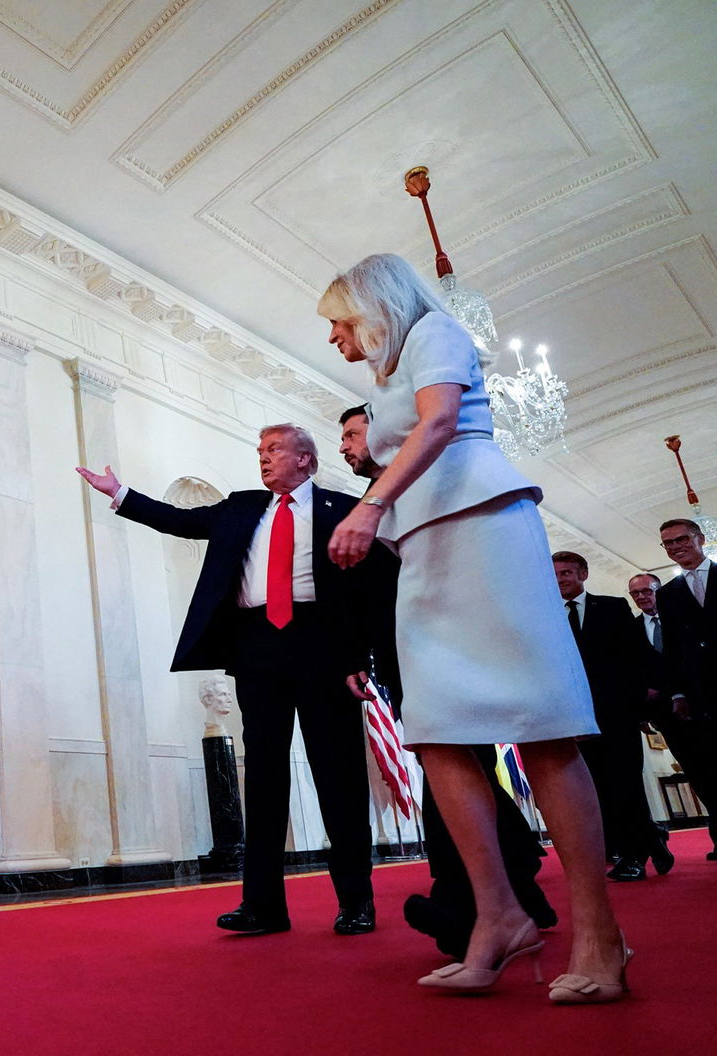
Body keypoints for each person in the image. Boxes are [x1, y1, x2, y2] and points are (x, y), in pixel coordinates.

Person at [321, 252, 628, 1003]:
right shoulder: (385, 376)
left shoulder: (436, 332)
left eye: (339, 321)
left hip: (484, 527)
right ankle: (499, 916)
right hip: (423, 548)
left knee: (542, 724)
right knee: (435, 731)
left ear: (374, 307)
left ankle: (599, 932)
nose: (333, 337)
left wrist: (368, 506)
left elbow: (440, 424)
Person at [76, 425, 376, 937]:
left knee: (339, 775)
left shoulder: (344, 509)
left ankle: (355, 902)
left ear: (305, 459)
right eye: (260, 451)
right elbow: (179, 520)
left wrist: (360, 656)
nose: (263, 458)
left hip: (323, 647)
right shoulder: (242, 506)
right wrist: (119, 492)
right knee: (262, 779)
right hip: (257, 648)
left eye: (274, 449)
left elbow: (365, 589)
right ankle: (262, 906)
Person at [339, 405, 555, 958]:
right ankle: (519, 887)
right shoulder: (368, 506)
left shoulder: (424, 489)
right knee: (456, 765)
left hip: (449, 647)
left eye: (353, 434)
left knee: (451, 765)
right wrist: (359, 654)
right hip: (403, 658)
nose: (344, 446)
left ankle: (463, 903)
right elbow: (363, 597)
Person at [552, 551, 669, 880]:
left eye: (566, 573)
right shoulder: (545, 616)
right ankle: (651, 838)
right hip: (576, 718)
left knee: (625, 781)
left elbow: (636, 655)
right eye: (555, 575)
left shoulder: (612, 607)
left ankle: (634, 857)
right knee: (599, 786)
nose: (560, 580)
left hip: (617, 713)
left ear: (583, 574)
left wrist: (641, 698)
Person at [630, 571, 717, 858]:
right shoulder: (632, 629)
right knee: (697, 771)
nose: (642, 596)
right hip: (666, 715)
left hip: (700, 705)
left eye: (647, 590)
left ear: (660, 591)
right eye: (636, 593)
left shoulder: (680, 619)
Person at [655, 519, 717, 859]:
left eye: (681, 539)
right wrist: (678, 693)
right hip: (700, 694)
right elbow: (673, 647)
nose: (676, 547)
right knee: (710, 766)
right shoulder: (667, 594)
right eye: (668, 543)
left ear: (700, 538)